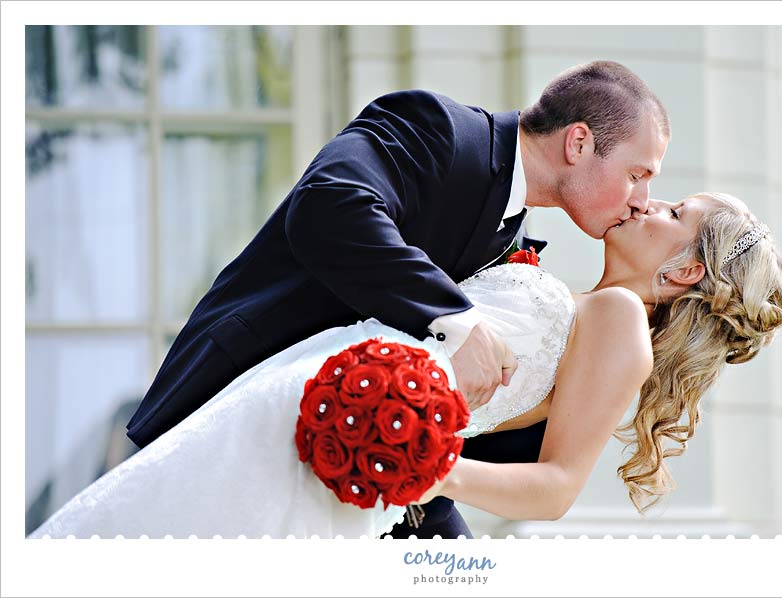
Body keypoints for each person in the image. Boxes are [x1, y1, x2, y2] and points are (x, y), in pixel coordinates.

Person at [29, 192, 782, 539]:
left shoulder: (618, 316)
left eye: (673, 215)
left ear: (688, 273)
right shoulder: (584, 305)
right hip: (299, 401)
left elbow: (557, 488)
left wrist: (420, 466)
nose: (648, 203)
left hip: (340, 433)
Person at [123, 60, 670, 537]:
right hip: (237, 400)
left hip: (332, 462)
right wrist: (455, 318)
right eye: (636, 173)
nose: (643, 200)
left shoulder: (513, 237)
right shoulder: (438, 129)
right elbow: (327, 204)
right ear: (578, 144)